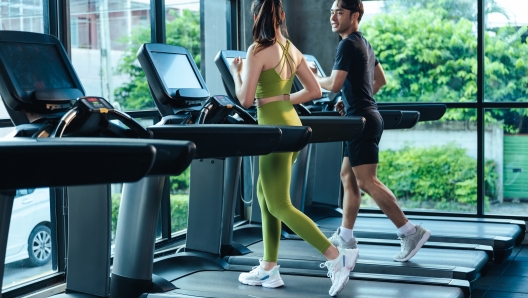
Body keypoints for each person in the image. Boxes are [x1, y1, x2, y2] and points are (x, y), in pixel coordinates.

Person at [229, 0, 358, 296]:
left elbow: (246, 100)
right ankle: (269, 267)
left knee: (278, 203)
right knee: (265, 197)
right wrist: (284, 101)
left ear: (256, 16)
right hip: (293, 127)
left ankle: (336, 258)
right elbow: (314, 91)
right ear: (282, 16)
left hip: (273, 131)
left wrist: (238, 73)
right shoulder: (291, 48)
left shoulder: (257, 51)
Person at [310, 0, 431, 262]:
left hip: (361, 121)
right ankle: (345, 236)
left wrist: (310, 77)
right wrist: (351, 100)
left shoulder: (346, 44)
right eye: (331, 12)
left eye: (339, 12)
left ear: (355, 15)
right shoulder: (363, 43)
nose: (333, 17)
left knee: (367, 181)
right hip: (360, 117)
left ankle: (410, 232)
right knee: (348, 176)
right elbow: (380, 80)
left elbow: (333, 84)